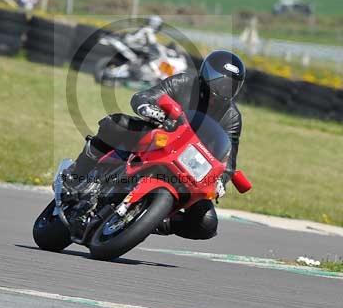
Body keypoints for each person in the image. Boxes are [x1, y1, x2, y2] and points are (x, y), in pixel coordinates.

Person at [66, 50, 245, 240]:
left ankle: (157, 221)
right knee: (116, 124)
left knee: (207, 222)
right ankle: (77, 175)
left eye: (231, 85)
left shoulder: (232, 117)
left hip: (189, 165)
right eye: (220, 81)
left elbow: (228, 160)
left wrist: (221, 181)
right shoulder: (184, 83)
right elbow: (147, 96)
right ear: (207, 75)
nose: (224, 88)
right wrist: (149, 107)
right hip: (160, 136)